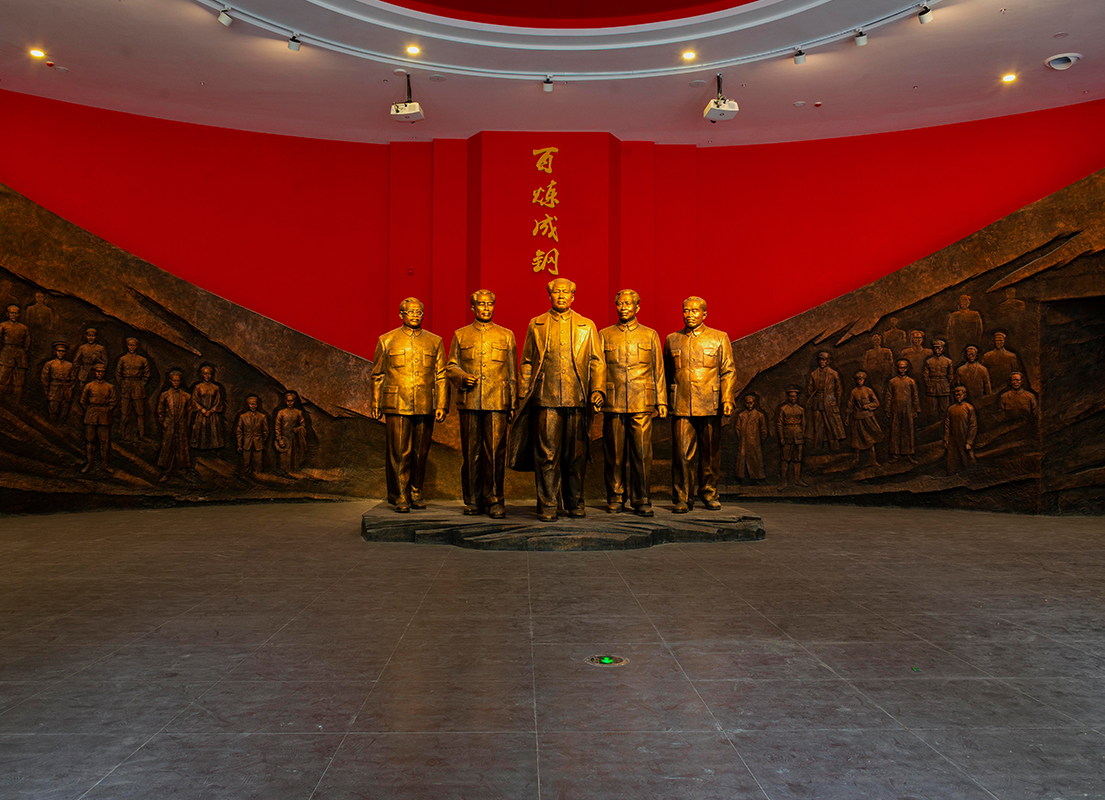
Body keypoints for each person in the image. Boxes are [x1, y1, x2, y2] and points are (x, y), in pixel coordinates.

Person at [508, 278, 604, 521]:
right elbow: (527, 361)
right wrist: (523, 392)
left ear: (573, 297)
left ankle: (575, 502)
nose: (561, 295)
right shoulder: (537, 324)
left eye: (565, 292)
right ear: (549, 295)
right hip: (545, 398)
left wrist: (597, 390)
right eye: (556, 292)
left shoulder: (587, 326)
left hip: (577, 397)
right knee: (547, 454)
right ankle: (548, 503)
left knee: (576, 455)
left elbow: (596, 361)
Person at [370, 297, 447, 513]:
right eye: (410, 312)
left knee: (420, 452)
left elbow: (441, 375)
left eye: (418, 312)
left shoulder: (434, 341)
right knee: (399, 452)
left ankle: (415, 492)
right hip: (397, 402)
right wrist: (376, 402)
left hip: (425, 403)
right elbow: (378, 374)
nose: (415, 315)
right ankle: (400, 495)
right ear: (401, 314)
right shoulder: (387, 340)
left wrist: (442, 404)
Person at [446, 290, 517, 519]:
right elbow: (451, 366)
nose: (486, 308)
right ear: (473, 308)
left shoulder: (506, 335)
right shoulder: (461, 335)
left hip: (497, 401)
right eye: (481, 304)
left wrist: (513, 403)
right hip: (470, 400)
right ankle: (473, 499)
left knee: (495, 453)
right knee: (471, 453)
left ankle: (495, 499)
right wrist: (461, 377)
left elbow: (512, 373)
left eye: (489, 304)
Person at [664, 295, 735, 512]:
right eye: (686, 310)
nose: (690, 315)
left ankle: (709, 493)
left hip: (710, 403)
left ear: (705, 314)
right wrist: (664, 402)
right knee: (681, 454)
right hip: (682, 403)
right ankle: (682, 497)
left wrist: (727, 399)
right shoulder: (672, 339)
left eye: (694, 311)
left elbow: (728, 371)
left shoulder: (719, 338)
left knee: (710, 453)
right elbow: (666, 374)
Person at [598, 289, 666, 515]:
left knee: (642, 454)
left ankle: (642, 499)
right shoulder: (605, 335)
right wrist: (597, 394)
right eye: (620, 304)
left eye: (628, 304)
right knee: (614, 454)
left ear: (637, 307)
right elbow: (597, 369)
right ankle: (615, 496)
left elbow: (658, 370)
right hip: (613, 400)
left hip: (641, 401)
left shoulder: (650, 335)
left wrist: (661, 401)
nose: (624, 307)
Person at [79, 364, 116, 474]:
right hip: (91, 415)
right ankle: (89, 463)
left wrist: (106, 410)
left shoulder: (109, 387)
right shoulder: (89, 386)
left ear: (104, 373)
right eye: (98, 371)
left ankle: (105, 465)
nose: (100, 374)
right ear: (94, 372)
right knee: (90, 440)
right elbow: (83, 401)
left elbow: (113, 401)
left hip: (104, 415)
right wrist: (90, 410)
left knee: (104, 441)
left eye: (102, 372)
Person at [805, 351, 845, 451]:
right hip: (817, 403)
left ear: (828, 361)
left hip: (830, 402)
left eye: (823, 360)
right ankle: (818, 447)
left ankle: (833, 446)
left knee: (831, 424)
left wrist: (836, 403)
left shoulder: (834, 374)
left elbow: (839, 390)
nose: (821, 362)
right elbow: (810, 389)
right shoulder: (813, 374)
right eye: (820, 360)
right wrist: (815, 398)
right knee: (817, 425)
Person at [156, 370, 192, 482]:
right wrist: (164, 423)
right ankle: (167, 472)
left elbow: (189, 412)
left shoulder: (186, 396)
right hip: (169, 426)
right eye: (174, 380)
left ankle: (183, 471)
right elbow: (160, 411)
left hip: (181, 426)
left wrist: (186, 425)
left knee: (182, 448)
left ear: (181, 381)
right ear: (170, 381)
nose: (176, 382)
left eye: (178, 380)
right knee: (168, 448)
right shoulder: (165, 395)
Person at [115, 337, 151, 441]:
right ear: (127, 346)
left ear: (137, 346)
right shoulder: (122, 359)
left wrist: (141, 384)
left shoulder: (142, 360)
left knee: (140, 412)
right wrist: (123, 384)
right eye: (130, 345)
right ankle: (121, 433)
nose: (132, 347)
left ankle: (142, 434)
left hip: (138, 386)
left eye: (134, 345)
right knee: (124, 412)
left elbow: (147, 374)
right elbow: (118, 373)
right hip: (126, 386)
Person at [885, 359, 921, 462]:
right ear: (896, 368)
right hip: (895, 409)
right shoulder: (892, 382)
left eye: (904, 368)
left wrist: (916, 409)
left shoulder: (911, 381)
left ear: (907, 368)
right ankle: (895, 454)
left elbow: (915, 396)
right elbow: (888, 396)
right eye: (900, 368)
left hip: (908, 409)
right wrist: (887, 409)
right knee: (895, 431)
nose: (902, 370)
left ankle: (908, 453)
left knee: (907, 430)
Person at [845, 371, 883, 467]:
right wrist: (847, 418)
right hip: (858, 418)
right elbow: (850, 405)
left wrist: (868, 406)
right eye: (858, 380)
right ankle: (856, 459)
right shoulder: (854, 392)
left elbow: (876, 403)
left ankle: (873, 460)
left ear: (864, 380)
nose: (860, 381)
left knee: (871, 438)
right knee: (857, 438)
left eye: (861, 379)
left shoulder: (869, 391)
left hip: (868, 417)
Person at [776, 387, 808, 488]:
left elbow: (804, 423)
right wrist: (781, 437)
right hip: (787, 436)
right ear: (788, 397)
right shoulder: (783, 409)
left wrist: (802, 434)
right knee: (785, 459)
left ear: (797, 397)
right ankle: (783, 482)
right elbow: (779, 424)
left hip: (798, 436)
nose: (793, 398)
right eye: (791, 397)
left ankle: (797, 480)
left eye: (794, 397)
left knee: (798, 459)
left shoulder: (801, 409)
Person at [944, 384, 978, 474]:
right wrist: (946, 439)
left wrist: (969, 441)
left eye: (960, 395)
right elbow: (947, 425)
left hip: (965, 437)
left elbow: (973, 425)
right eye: (956, 395)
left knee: (967, 457)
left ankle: (970, 474)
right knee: (952, 459)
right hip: (953, 438)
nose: (958, 397)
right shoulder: (951, 409)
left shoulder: (969, 408)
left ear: (965, 395)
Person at [190, 365, 225, 450]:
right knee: (200, 431)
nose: (207, 376)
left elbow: (218, 401)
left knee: (213, 431)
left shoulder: (215, 388)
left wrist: (211, 410)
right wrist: (202, 409)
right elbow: (194, 400)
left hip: (212, 415)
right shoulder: (198, 387)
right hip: (201, 414)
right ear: (202, 374)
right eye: (205, 373)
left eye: (209, 374)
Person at [0, 304, 30, 403]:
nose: (14, 315)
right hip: (6, 353)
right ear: (7, 314)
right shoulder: (3, 326)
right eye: (12, 313)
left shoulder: (23, 328)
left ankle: (17, 402)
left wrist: (22, 351)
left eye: (16, 313)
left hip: (20, 355)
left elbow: (27, 342)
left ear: (19, 315)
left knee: (19, 381)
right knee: (3, 378)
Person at [734, 394, 768, 483]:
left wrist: (758, 441)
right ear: (745, 403)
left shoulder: (759, 415)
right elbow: (737, 429)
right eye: (747, 403)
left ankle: (756, 478)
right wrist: (742, 439)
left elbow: (764, 431)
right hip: (743, 443)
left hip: (755, 443)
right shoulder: (741, 415)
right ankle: (742, 478)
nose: (749, 405)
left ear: (754, 403)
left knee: (755, 461)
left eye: (751, 403)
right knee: (742, 461)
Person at [40, 342, 76, 424]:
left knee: (64, 411)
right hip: (54, 389)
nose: (61, 353)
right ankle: (52, 425)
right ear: (55, 352)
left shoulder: (69, 365)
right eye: (59, 351)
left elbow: (73, 378)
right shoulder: (50, 364)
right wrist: (47, 389)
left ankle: (62, 426)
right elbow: (44, 377)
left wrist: (70, 389)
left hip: (66, 390)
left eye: (63, 351)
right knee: (53, 410)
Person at [275, 392, 308, 474]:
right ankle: (284, 472)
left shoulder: (298, 412)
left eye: (291, 401)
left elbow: (303, 425)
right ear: (285, 401)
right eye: (288, 401)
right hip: (284, 439)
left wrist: (298, 429)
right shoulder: (281, 412)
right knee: (284, 457)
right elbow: (277, 427)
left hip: (294, 438)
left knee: (294, 455)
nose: (289, 403)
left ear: (295, 401)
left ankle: (294, 472)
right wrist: (279, 439)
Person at [235, 395, 269, 476]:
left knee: (258, 462)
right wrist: (239, 444)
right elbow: (239, 432)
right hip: (246, 443)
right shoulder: (242, 417)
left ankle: (258, 477)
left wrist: (261, 441)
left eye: (255, 404)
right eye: (251, 404)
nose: (253, 406)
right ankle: (247, 478)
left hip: (258, 443)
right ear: (248, 405)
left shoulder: (262, 416)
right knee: (246, 462)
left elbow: (266, 431)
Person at [946, 294, 984, 363]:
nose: (964, 303)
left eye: (966, 302)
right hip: (958, 342)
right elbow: (950, 329)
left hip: (971, 341)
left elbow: (979, 329)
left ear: (969, 303)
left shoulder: (975, 314)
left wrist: (977, 340)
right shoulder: (954, 315)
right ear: (959, 303)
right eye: (963, 301)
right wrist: (951, 341)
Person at [922, 339, 954, 418]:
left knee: (944, 409)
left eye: (939, 348)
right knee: (932, 410)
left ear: (943, 349)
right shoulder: (929, 362)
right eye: (935, 348)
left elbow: (950, 376)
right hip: (931, 388)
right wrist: (929, 384)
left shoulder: (948, 361)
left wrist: (946, 384)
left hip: (944, 388)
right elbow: (925, 376)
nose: (937, 350)